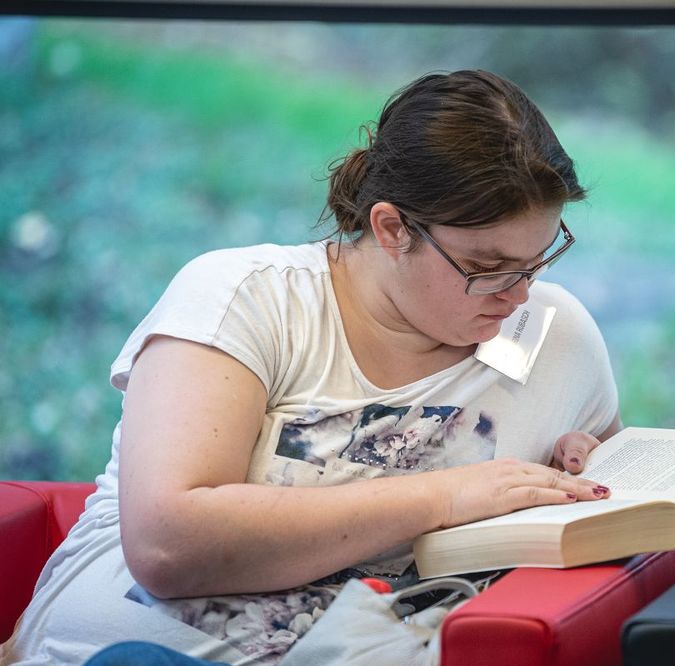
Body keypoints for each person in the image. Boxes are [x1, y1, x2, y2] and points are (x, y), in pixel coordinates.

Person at [0, 69, 621, 665]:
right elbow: (168, 546)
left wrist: (582, 463)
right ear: (391, 229)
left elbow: (622, 498)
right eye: (486, 269)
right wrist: (444, 496)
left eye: (539, 259)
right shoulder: (247, 297)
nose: (518, 295)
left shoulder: (557, 335)